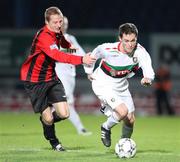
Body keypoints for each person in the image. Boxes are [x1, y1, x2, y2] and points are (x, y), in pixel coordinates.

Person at [20, 6, 95, 152]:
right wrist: (81, 59)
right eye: (55, 22)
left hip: (51, 78)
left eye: (60, 21)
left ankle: (46, 120)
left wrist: (68, 45)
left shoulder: (57, 32)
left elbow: (64, 44)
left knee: (64, 114)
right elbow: (57, 56)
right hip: (35, 81)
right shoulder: (44, 37)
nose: (59, 25)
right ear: (47, 22)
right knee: (48, 118)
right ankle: (55, 142)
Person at [84, 23, 155, 147]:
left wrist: (147, 78)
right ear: (120, 39)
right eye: (126, 41)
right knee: (122, 112)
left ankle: (123, 145)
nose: (130, 44)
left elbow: (148, 68)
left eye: (133, 40)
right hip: (102, 83)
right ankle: (105, 127)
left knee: (130, 119)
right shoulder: (107, 49)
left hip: (121, 86)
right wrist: (89, 71)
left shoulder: (140, 52)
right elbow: (92, 55)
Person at [55, 16, 92, 135]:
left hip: (70, 75)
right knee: (67, 103)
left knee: (65, 104)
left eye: (65, 24)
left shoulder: (71, 38)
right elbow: (57, 52)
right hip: (59, 74)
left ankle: (80, 128)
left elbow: (81, 54)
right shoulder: (52, 38)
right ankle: (80, 129)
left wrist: (88, 71)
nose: (64, 26)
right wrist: (71, 51)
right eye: (61, 23)